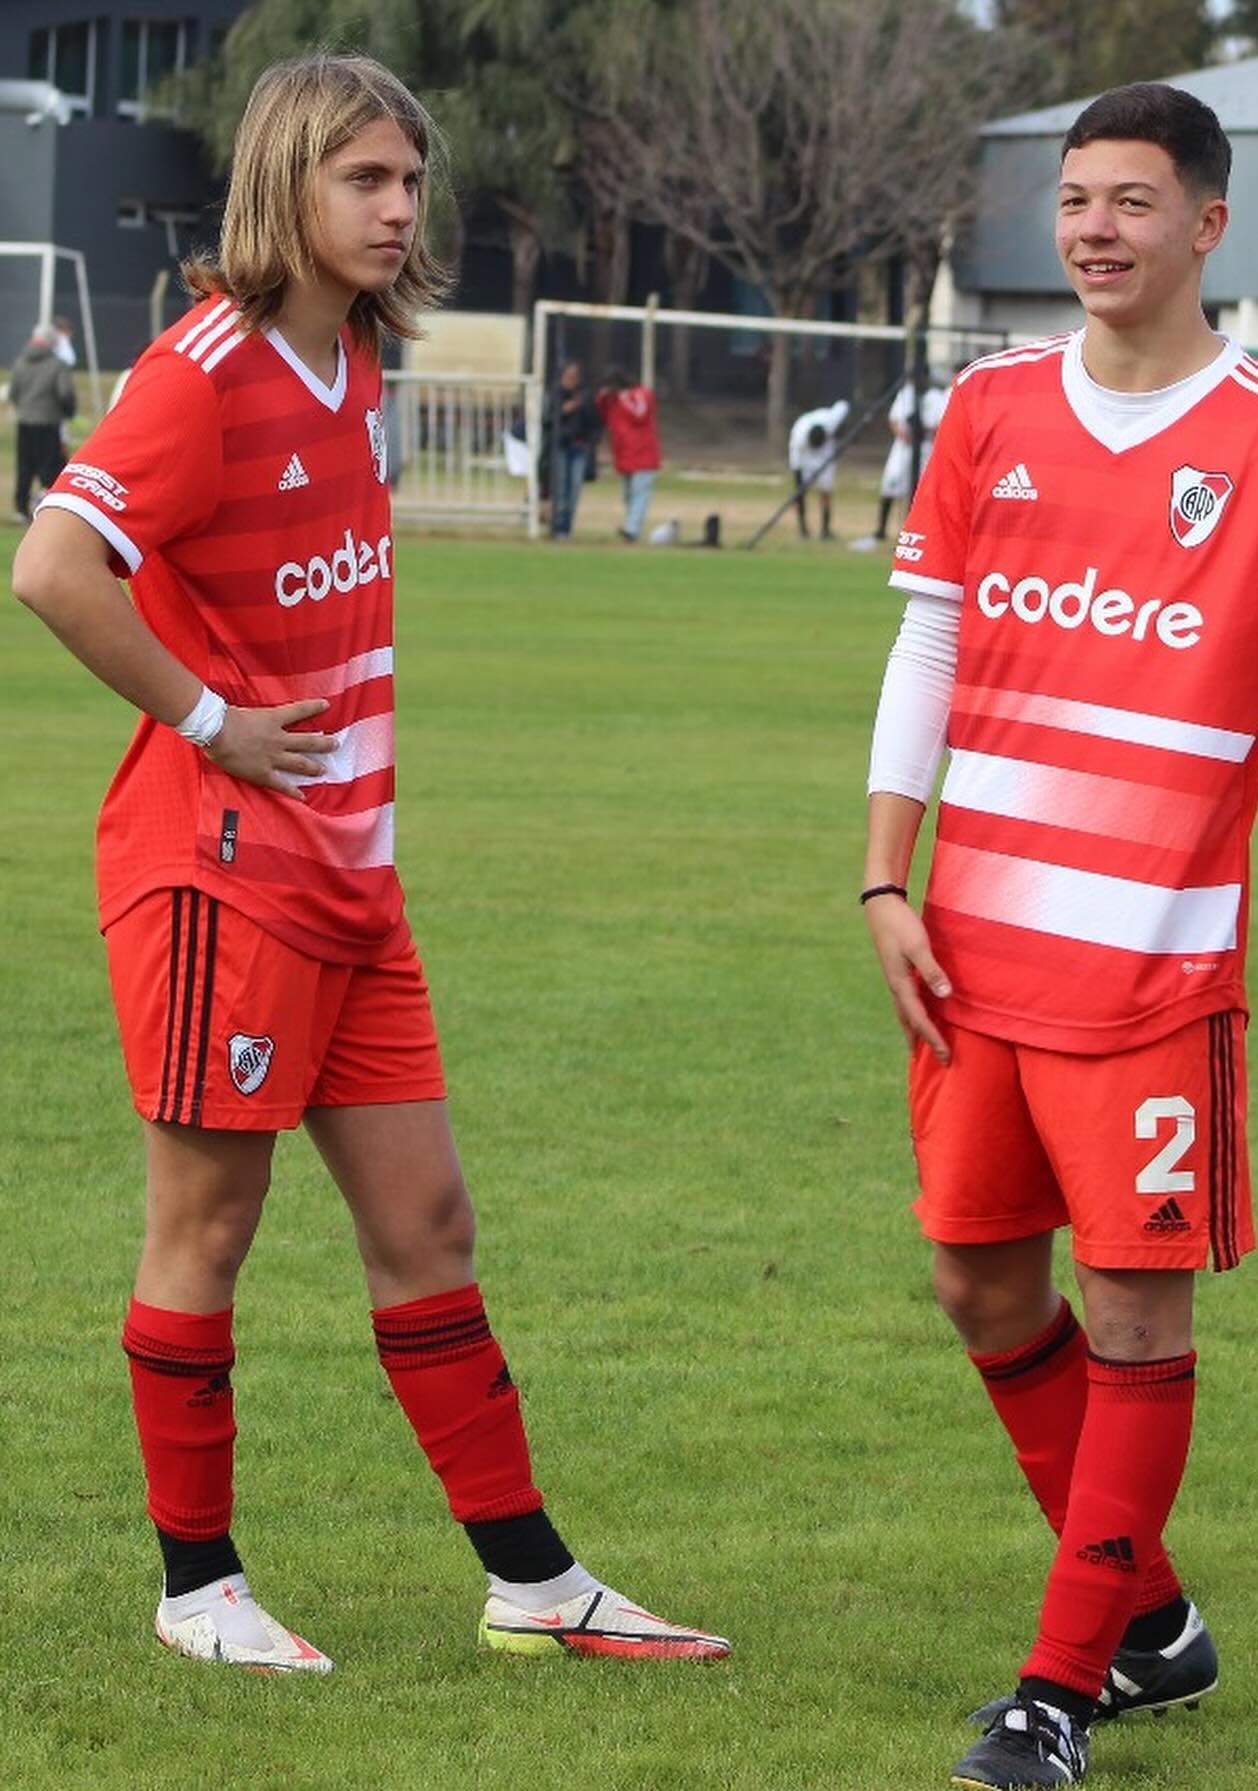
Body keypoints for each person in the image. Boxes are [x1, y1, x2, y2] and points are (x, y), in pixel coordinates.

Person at [12, 52, 727, 1677]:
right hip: (218, 878)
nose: (399, 210)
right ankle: (198, 1591)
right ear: (287, 184)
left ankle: (533, 1584)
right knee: (208, 1225)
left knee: (432, 1226)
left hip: (353, 885)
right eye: (364, 181)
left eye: (410, 181)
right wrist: (207, 715)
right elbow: (53, 565)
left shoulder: (357, 371)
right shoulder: (206, 371)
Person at [862, 82, 1258, 1790]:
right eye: (1075, 200)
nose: (1096, 230)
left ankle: (1055, 1693)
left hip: (1150, 986)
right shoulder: (987, 412)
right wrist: (885, 879)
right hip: (971, 957)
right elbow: (930, 650)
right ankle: (1154, 1615)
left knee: (1132, 1323)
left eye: (1133, 201)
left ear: (1208, 227)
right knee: (978, 1284)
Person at [853, 372, 951, 551]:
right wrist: (903, 433)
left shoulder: (936, 397)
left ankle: (912, 532)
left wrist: (924, 430)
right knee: (891, 483)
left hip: (924, 447)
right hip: (904, 447)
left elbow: (941, 423)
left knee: (918, 490)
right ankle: (881, 529)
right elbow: (894, 420)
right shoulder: (906, 394)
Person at [8, 324, 74, 521]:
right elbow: (65, 393)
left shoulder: (20, 362)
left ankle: (20, 509)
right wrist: (67, 411)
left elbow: (13, 393)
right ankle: (48, 508)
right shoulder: (57, 365)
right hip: (49, 422)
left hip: (25, 421)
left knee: (24, 466)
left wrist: (25, 408)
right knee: (50, 465)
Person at [595, 366, 662, 542]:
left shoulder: (640, 394)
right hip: (624, 455)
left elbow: (640, 414)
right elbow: (600, 411)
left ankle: (632, 530)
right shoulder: (612, 400)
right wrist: (603, 395)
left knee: (640, 493)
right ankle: (632, 526)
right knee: (628, 495)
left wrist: (624, 397)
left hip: (644, 454)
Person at [546, 359, 599, 537]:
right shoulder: (554, 394)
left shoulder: (585, 396)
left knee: (574, 490)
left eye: (574, 376)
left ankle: (567, 528)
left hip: (579, 447)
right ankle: (557, 527)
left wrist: (582, 407)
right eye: (568, 375)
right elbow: (546, 420)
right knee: (560, 488)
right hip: (560, 446)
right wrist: (563, 410)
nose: (571, 379)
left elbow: (594, 422)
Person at [787, 398, 849, 539]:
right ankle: (803, 530)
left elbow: (843, 405)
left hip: (825, 452)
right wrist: (799, 479)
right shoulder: (799, 440)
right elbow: (796, 464)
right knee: (800, 494)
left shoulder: (831, 420)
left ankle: (825, 530)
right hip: (805, 457)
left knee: (826, 489)